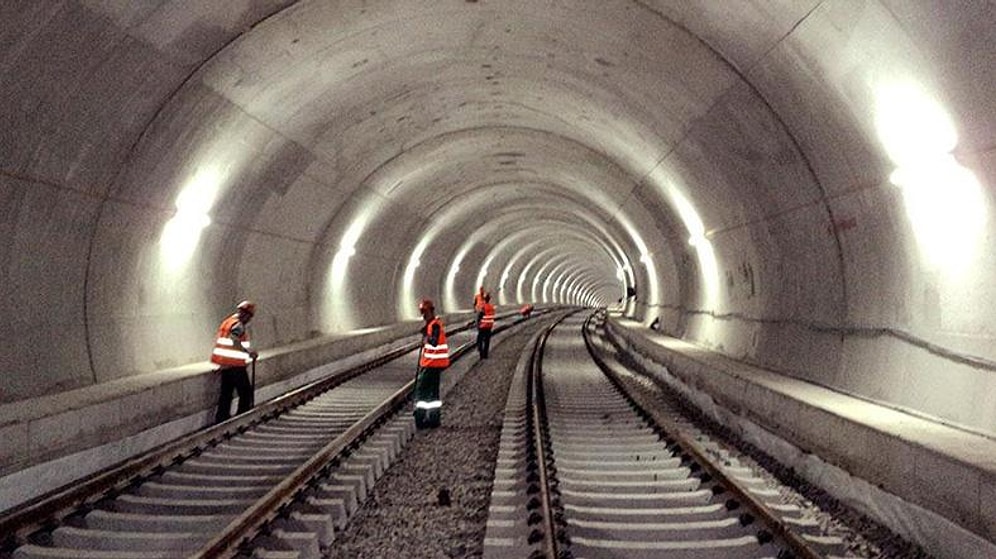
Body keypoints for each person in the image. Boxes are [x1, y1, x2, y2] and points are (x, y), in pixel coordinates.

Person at [211, 300, 259, 424]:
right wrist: (249, 353)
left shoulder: (228, 322)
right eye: (249, 317)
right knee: (245, 392)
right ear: (245, 314)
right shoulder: (238, 325)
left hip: (225, 364)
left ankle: (221, 420)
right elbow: (234, 341)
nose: (249, 320)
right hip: (235, 365)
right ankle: (242, 420)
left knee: (226, 394)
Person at [414, 299, 449, 429]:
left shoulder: (434, 325)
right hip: (434, 364)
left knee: (422, 391)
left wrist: (426, 337)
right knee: (433, 393)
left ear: (430, 311)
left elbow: (433, 342)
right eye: (422, 312)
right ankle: (434, 420)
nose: (423, 315)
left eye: (424, 311)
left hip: (431, 364)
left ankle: (420, 419)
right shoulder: (433, 324)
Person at [476, 293, 495, 359]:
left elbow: (480, 317)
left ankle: (481, 354)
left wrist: (477, 325)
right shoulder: (492, 307)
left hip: (483, 327)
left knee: (479, 340)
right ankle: (485, 355)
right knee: (487, 341)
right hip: (489, 327)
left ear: (484, 299)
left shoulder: (483, 307)